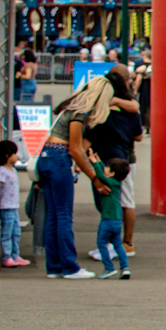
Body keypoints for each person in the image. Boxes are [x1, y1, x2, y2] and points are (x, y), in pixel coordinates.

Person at [40, 76, 130, 279]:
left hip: (47, 155)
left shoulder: (70, 106)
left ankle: (54, 267)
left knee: (53, 216)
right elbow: (74, 149)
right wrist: (94, 178)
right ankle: (70, 267)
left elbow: (75, 148)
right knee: (64, 215)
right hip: (59, 157)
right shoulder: (79, 113)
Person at [87, 67, 144, 262]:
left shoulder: (103, 111)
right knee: (127, 200)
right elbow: (139, 135)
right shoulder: (130, 108)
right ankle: (126, 242)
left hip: (107, 160)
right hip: (127, 159)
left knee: (109, 202)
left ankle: (116, 244)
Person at [88, 152, 132, 279]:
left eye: (107, 167)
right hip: (117, 220)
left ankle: (109, 268)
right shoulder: (116, 182)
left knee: (101, 243)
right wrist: (99, 160)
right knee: (117, 244)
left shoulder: (109, 182)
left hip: (107, 220)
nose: (104, 168)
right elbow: (105, 173)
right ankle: (125, 267)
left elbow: (100, 176)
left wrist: (94, 162)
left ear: (112, 173)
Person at [0, 140, 27, 267]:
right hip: (6, 207)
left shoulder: (12, 170)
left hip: (13, 206)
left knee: (16, 232)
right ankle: (7, 257)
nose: (17, 156)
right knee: (7, 233)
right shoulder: (2, 171)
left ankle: (15, 255)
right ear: (7, 156)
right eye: (14, 153)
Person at [135, 49, 153, 129]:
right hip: (153, 89)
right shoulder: (154, 65)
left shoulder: (143, 66)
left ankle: (148, 126)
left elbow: (138, 79)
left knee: (145, 107)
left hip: (145, 88)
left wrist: (135, 90)